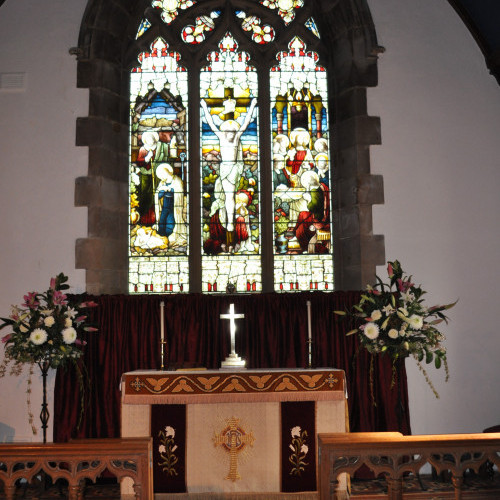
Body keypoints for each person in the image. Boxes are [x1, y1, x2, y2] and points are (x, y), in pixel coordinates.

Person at [201, 97, 258, 244]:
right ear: (225, 131)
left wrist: (252, 105)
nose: (231, 133)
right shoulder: (221, 137)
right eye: (229, 131)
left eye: (233, 131)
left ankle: (230, 222)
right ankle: (229, 222)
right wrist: (204, 107)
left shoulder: (238, 137)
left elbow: (245, 123)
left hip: (233, 168)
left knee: (230, 196)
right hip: (225, 168)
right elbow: (212, 124)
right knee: (228, 196)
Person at [136, 131, 169, 225]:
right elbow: (139, 162)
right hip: (146, 175)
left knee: (156, 194)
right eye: (148, 139)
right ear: (145, 140)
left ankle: (157, 218)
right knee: (146, 195)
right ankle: (144, 218)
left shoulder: (159, 147)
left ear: (154, 139)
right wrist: (146, 158)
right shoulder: (143, 149)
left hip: (157, 175)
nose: (150, 141)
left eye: (152, 139)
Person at [293, 170, 330, 254]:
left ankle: (306, 248)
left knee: (300, 229)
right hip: (325, 215)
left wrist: (308, 199)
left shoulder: (314, 191)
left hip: (319, 219)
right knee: (302, 214)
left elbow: (313, 207)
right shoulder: (323, 186)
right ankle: (294, 232)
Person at [154, 163, 187, 248]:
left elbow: (179, 192)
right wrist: (162, 190)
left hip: (174, 206)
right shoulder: (162, 183)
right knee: (162, 221)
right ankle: (161, 238)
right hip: (165, 205)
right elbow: (158, 195)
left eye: (163, 173)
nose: (162, 176)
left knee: (171, 222)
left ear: (168, 171)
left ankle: (169, 237)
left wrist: (171, 189)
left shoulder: (177, 180)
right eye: (161, 175)